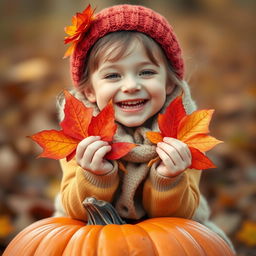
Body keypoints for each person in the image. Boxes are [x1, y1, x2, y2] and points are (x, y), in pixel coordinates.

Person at [54, 4, 233, 249]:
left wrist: (167, 179)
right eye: (113, 76)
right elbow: (75, 210)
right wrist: (95, 176)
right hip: (91, 238)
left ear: (169, 83)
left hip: (172, 239)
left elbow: (183, 215)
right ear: (89, 91)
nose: (130, 86)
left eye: (146, 72)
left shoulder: (183, 132)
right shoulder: (81, 133)